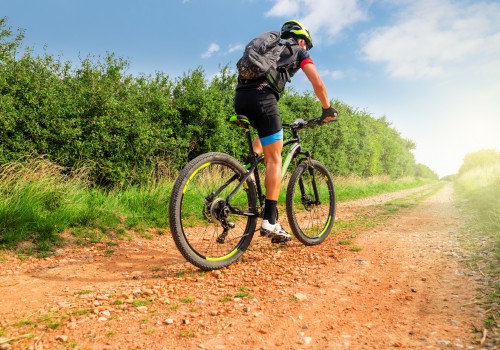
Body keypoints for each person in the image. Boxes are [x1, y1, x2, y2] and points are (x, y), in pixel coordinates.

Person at [234, 20, 338, 243]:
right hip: (264, 99)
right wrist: (327, 108)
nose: (306, 49)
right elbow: (317, 83)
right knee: (275, 160)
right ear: (302, 40)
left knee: (266, 139)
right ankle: (269, 220)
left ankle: (247, 175)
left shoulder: (270, 47)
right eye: (306, 45)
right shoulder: (298, 51)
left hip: (241, 98)